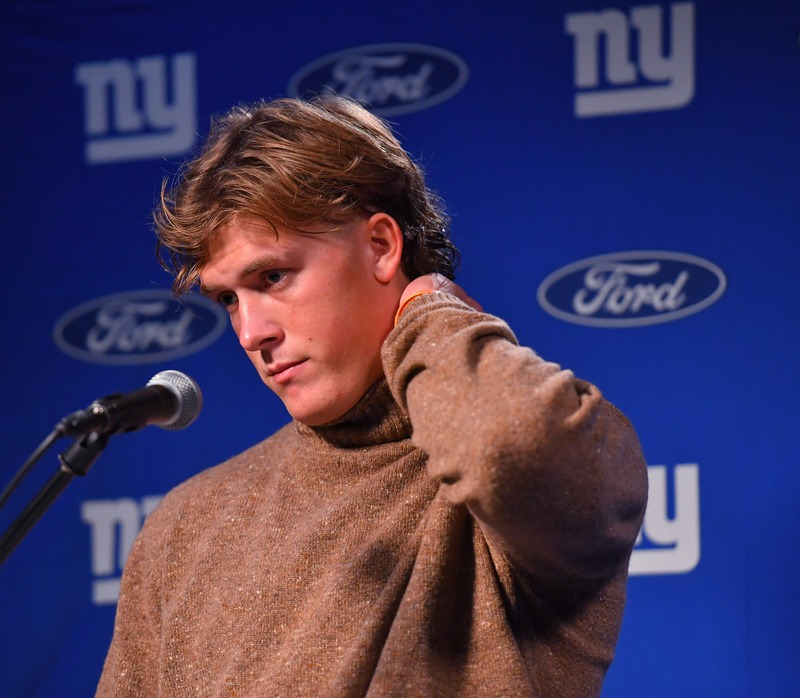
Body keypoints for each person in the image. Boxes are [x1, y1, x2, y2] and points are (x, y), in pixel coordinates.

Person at [95, 95, 648, 697]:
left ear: (382, 246)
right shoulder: (184, 526)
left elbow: (506, 446)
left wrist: (430, 310)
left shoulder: (555, 455)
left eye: (272, 277)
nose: (251, 333)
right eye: (229, 299)